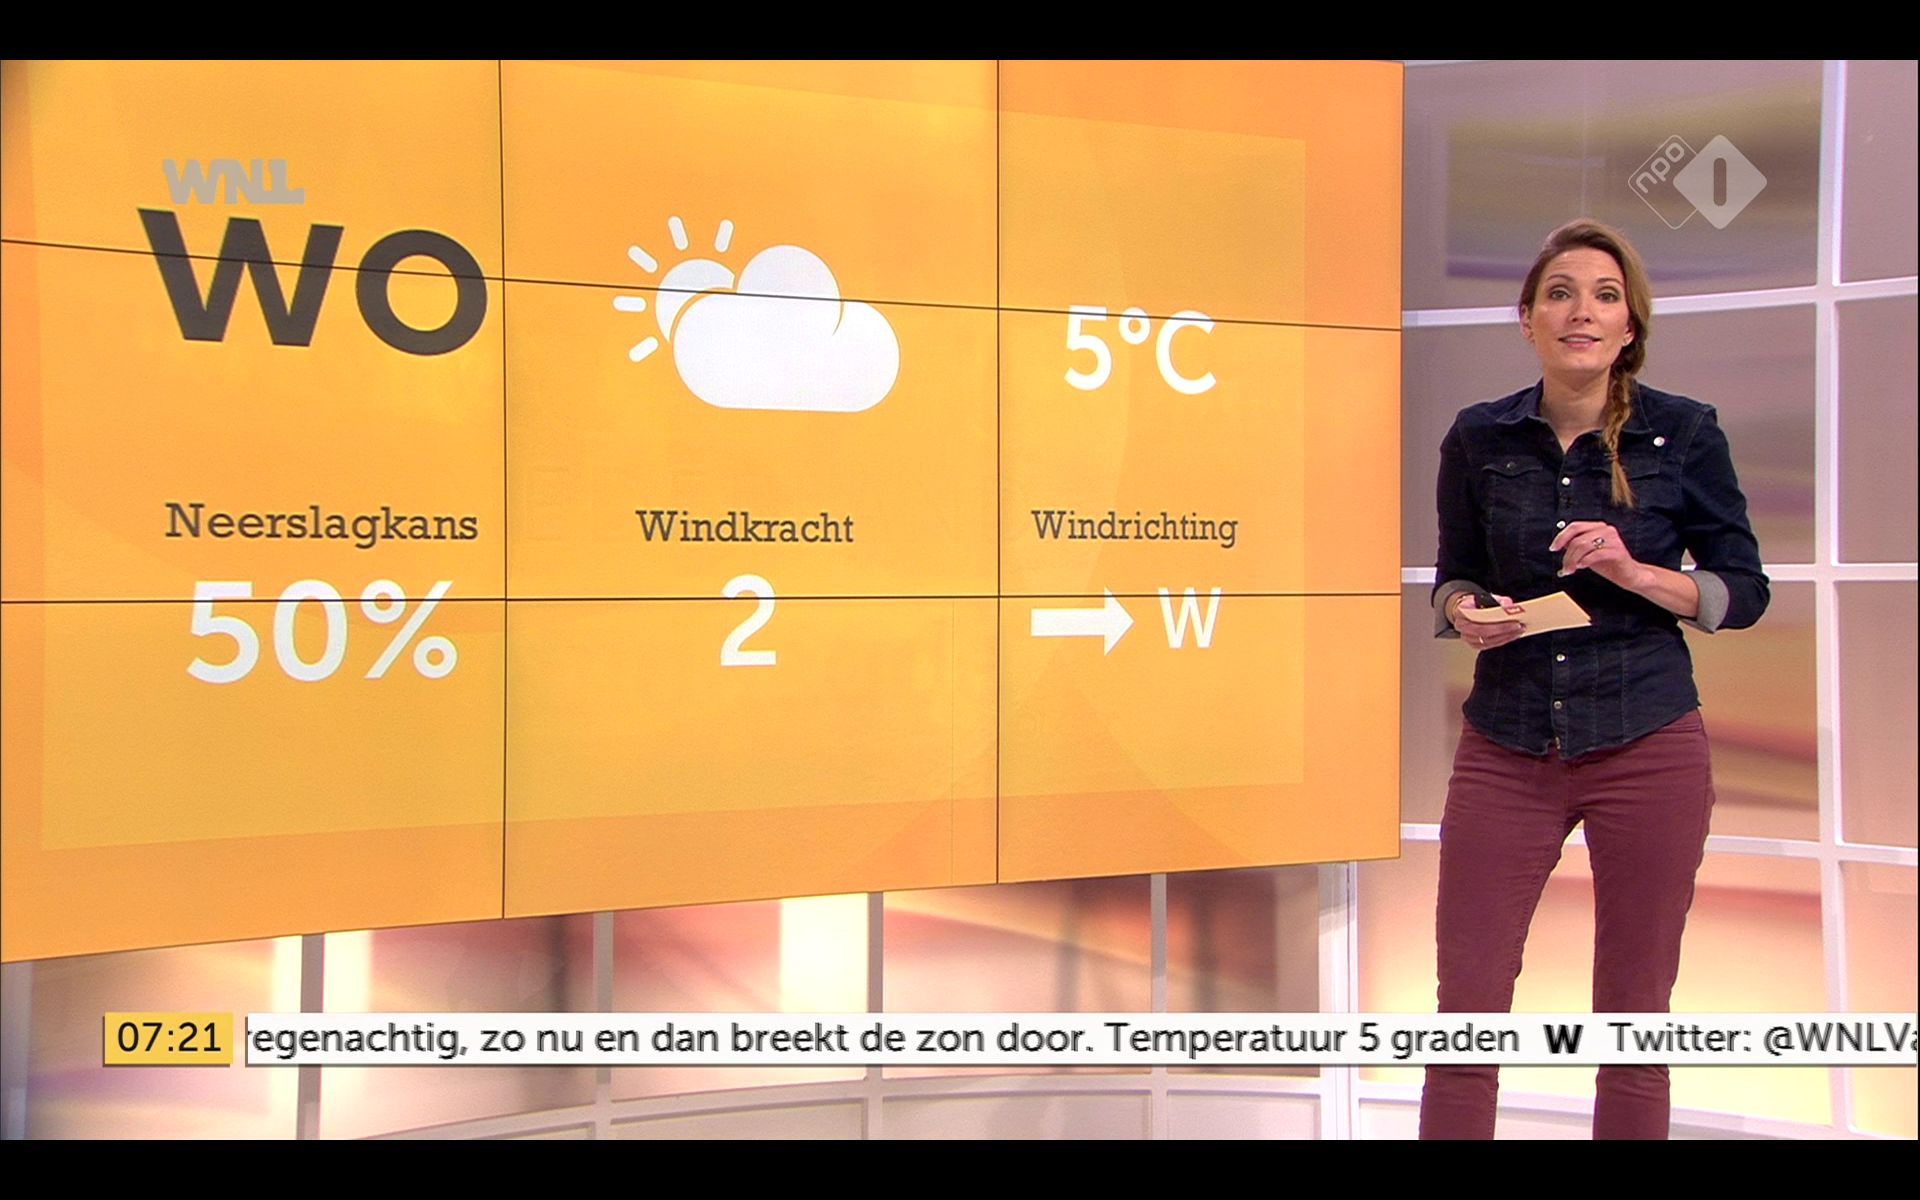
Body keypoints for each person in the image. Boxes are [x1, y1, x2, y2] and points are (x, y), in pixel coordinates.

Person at [1419, 219, 1770, 1140]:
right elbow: (1454, 573)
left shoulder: (1684, 433)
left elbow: (1744, 591)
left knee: (1635, 1009)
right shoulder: (1480, 436)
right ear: (1528, 318)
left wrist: (1636, 573)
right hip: (1508, 742)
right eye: (1561, 293)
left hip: (1647, 740)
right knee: (1466, 1008)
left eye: (1606, 296)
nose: (1583, 310)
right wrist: (1463, 611)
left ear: (1628, 326)